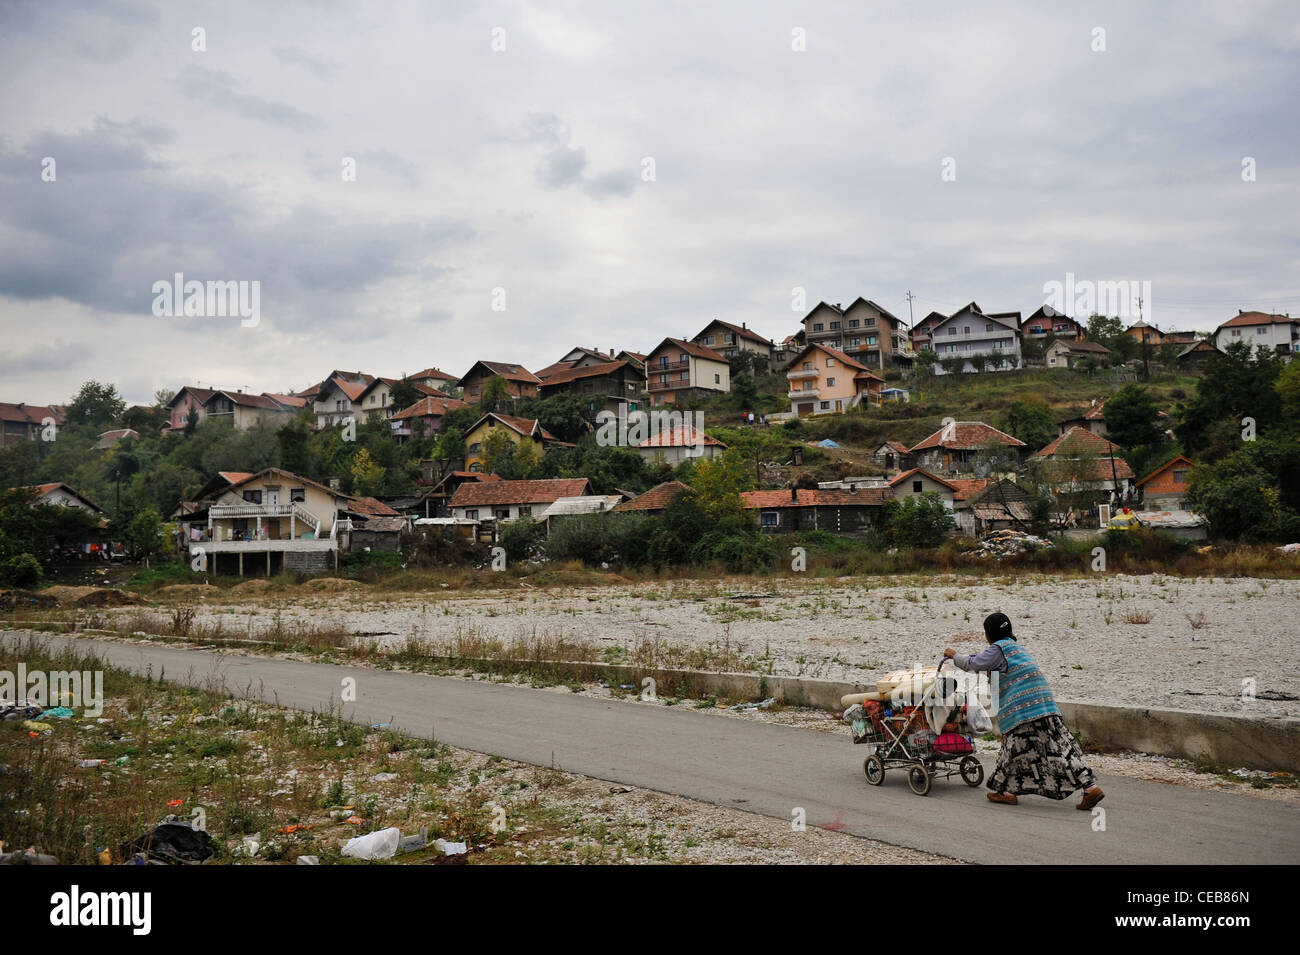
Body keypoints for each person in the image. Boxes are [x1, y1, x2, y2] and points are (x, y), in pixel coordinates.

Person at [944, 612, 1104, 810]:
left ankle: (1007, 791)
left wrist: (954, 655)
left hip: (1023, 710)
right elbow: (984, 662)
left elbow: (972, 663)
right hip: (1044, 704)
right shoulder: (1016, 648)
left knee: (1014, 748)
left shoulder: (998, 649)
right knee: (1059, 747)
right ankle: (1089, 786)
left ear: (989, 634)